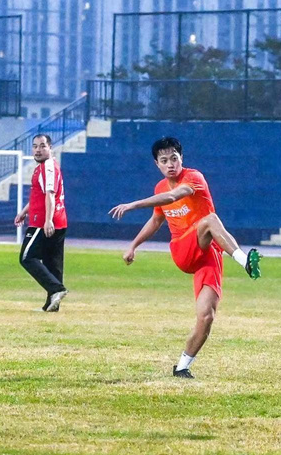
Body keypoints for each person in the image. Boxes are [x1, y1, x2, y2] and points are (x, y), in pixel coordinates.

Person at [109, 136, 261, 378]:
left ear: (182, 158)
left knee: (206, 316)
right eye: (164, 160)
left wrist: (134, 206)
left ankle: (182, 367)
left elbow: (174, 196)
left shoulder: (194, 177)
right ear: (157, 164)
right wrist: (133, 245)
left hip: (208, 253)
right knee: (210, 220)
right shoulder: (160, 188)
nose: (170, 164)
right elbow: (156, 220)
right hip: (183, 250)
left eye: (174, 158)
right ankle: (245, 261)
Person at [14, 134, 69, 312]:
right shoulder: (44, 167)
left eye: (42, 146)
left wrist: (47, 220)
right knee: (53, 263)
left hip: (43, 222)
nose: (38, 150)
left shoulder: (48, 167)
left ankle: (57, 289)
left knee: (27, 257)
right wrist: (24, 212)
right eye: (35, 146)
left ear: (50, 148)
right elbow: (40, 195)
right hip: (58, 221)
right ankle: (52, 305)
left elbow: (50, 195)